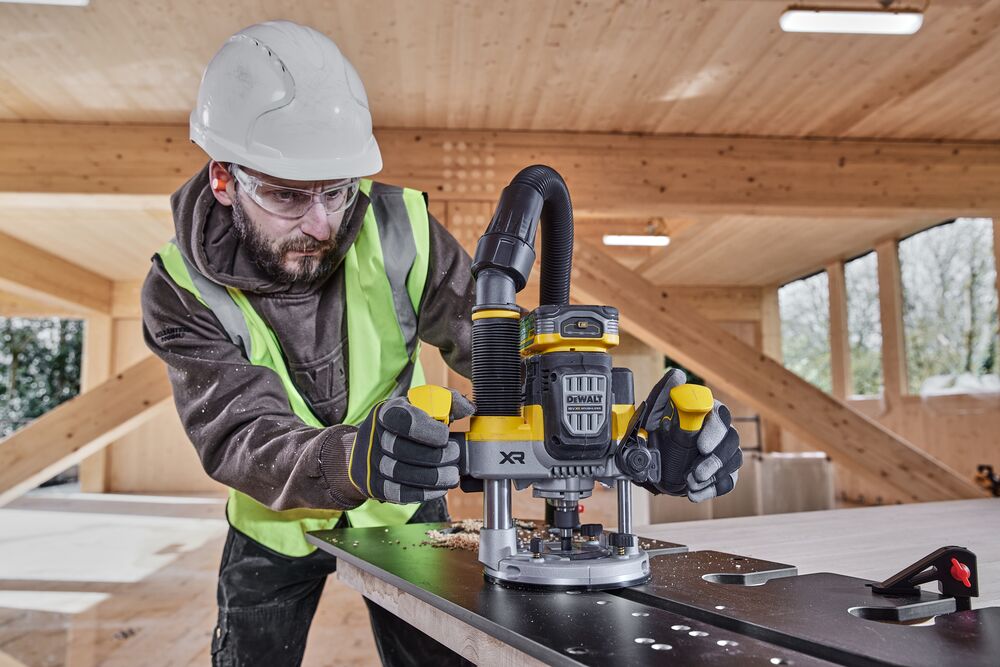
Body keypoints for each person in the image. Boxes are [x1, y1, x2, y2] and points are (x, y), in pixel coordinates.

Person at [141, 20, 742, 667]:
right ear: (224, 179)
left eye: (338, 191)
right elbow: (241, 434)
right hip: (273, 518)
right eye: (287, 195)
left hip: (405, 498)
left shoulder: (401, 229)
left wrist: (612, 433)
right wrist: (353, 459)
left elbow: (501, 365)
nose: (319, 223)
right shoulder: (180, 285)